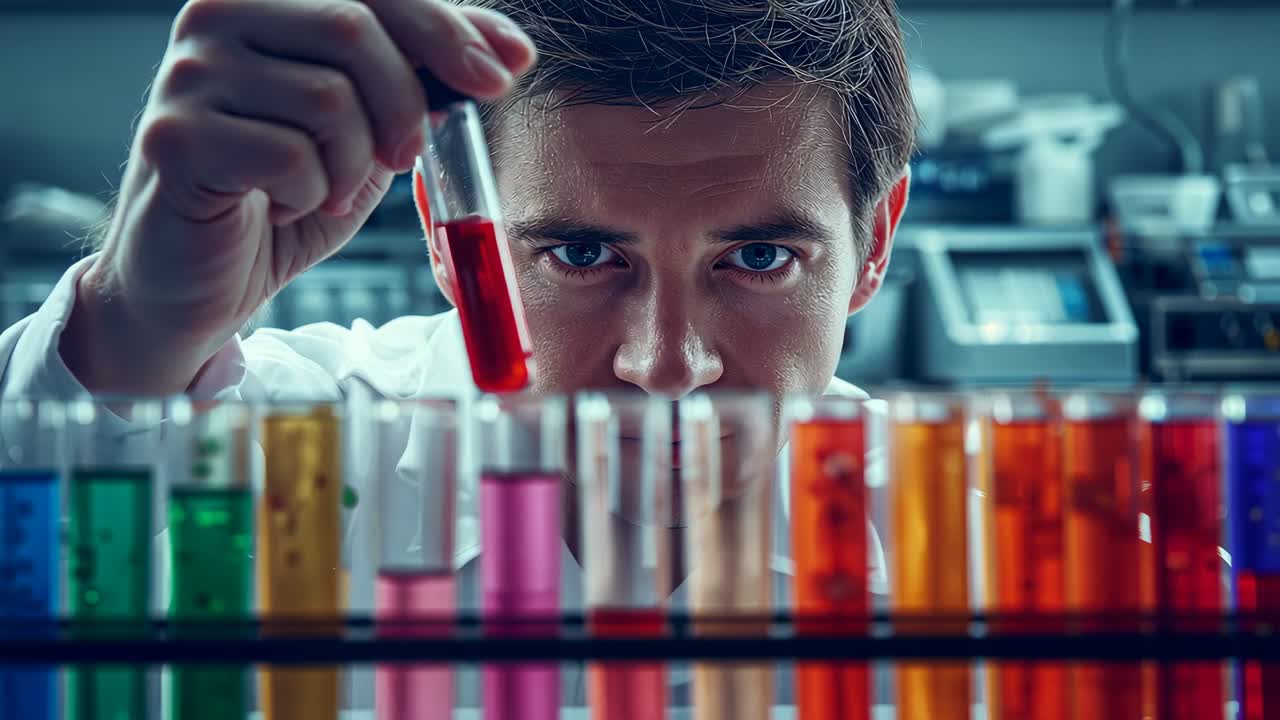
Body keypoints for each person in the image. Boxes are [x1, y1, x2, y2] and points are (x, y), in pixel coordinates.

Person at [0, 0, 914, 708]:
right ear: (448, 233)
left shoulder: (958, 528)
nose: (666, 367)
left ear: (873, 245)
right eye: (581, 254)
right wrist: (136, 323)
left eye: (760, 258)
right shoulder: (298, 445)